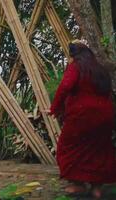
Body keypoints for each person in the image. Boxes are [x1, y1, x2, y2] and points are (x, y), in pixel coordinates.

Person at [48, 40, 116, 198]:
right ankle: (96, 188)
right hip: (105, 115)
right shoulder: (100, 70)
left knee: (68, 148)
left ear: (73, 55)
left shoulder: (76, 67)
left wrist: (55, 108)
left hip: (82, 116)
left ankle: (78, 185)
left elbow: (65, 87)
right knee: (99, 149)